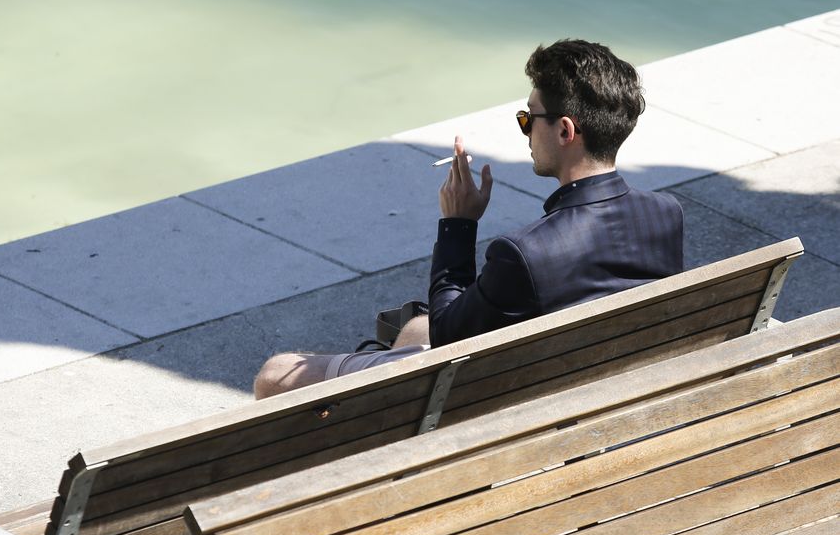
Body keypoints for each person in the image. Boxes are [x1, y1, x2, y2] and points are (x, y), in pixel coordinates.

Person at [253, 39, 683, 400]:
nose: (525, 128)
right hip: (605, 397)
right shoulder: (664, 216)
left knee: (276, 374)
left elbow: (447, 343)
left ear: (566, 131)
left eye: (527, 119)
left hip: (503, 412)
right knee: (411, 329)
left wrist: (458, 225)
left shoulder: (526, 254)